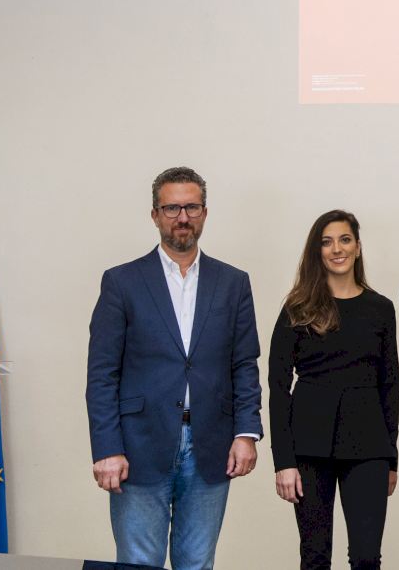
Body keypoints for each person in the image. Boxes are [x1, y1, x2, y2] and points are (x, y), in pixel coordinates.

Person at [86, 167, 262, 570]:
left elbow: (244, 363)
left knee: (197, 564)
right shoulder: (122, 282)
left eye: (191, 207)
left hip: (211, 446)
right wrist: (107, 448)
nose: (182, 217)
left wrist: (246, 432)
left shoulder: (233, 282)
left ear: (204, 213)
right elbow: (102, 374)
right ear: (155, 214)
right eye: (172, 208)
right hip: (138, 446)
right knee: (138, 564)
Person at [268, 210, 399, 570]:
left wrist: (390, 458)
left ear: (358, 247)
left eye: (344, 240)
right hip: (309, 445)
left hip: (369, 446)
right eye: (326, 242)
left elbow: (390, 385)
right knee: (314, 556)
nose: (336, 249)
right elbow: (278, 387)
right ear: (317, 251)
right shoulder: (298, 308)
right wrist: (284, 462)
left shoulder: (381, 309)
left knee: (366, 558)